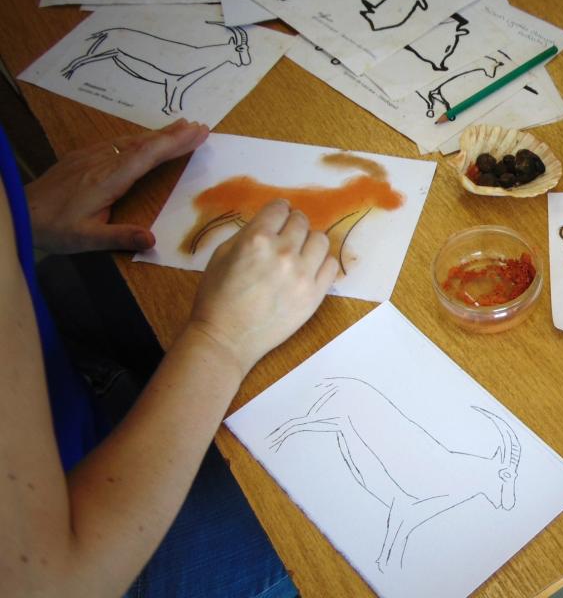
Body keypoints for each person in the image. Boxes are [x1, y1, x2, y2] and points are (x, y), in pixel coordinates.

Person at [2, 118, 340, 597]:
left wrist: (22, 219)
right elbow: (47, 585)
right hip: (89, 557)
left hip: (59, 408)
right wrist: (220, 339)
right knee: (325, 536)